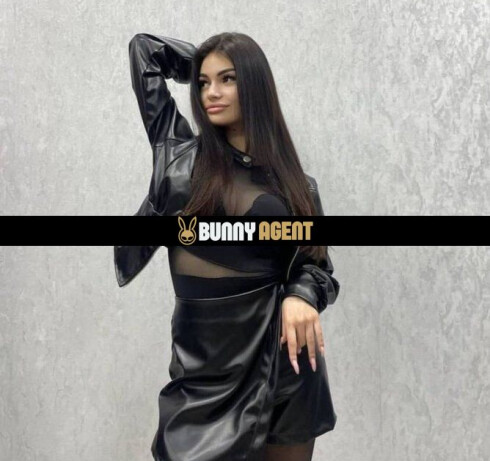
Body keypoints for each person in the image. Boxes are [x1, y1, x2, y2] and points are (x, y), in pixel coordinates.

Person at [114, 31, 340, 461]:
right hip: (205, 366)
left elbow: (316, 266)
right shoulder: (178, 155)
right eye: (204, 83)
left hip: (284, 359)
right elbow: (144, 51)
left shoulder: (297, 186)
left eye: (228, 79)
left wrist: (301, 295)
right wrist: (202, 60)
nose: (211, 93)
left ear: (253, 85)